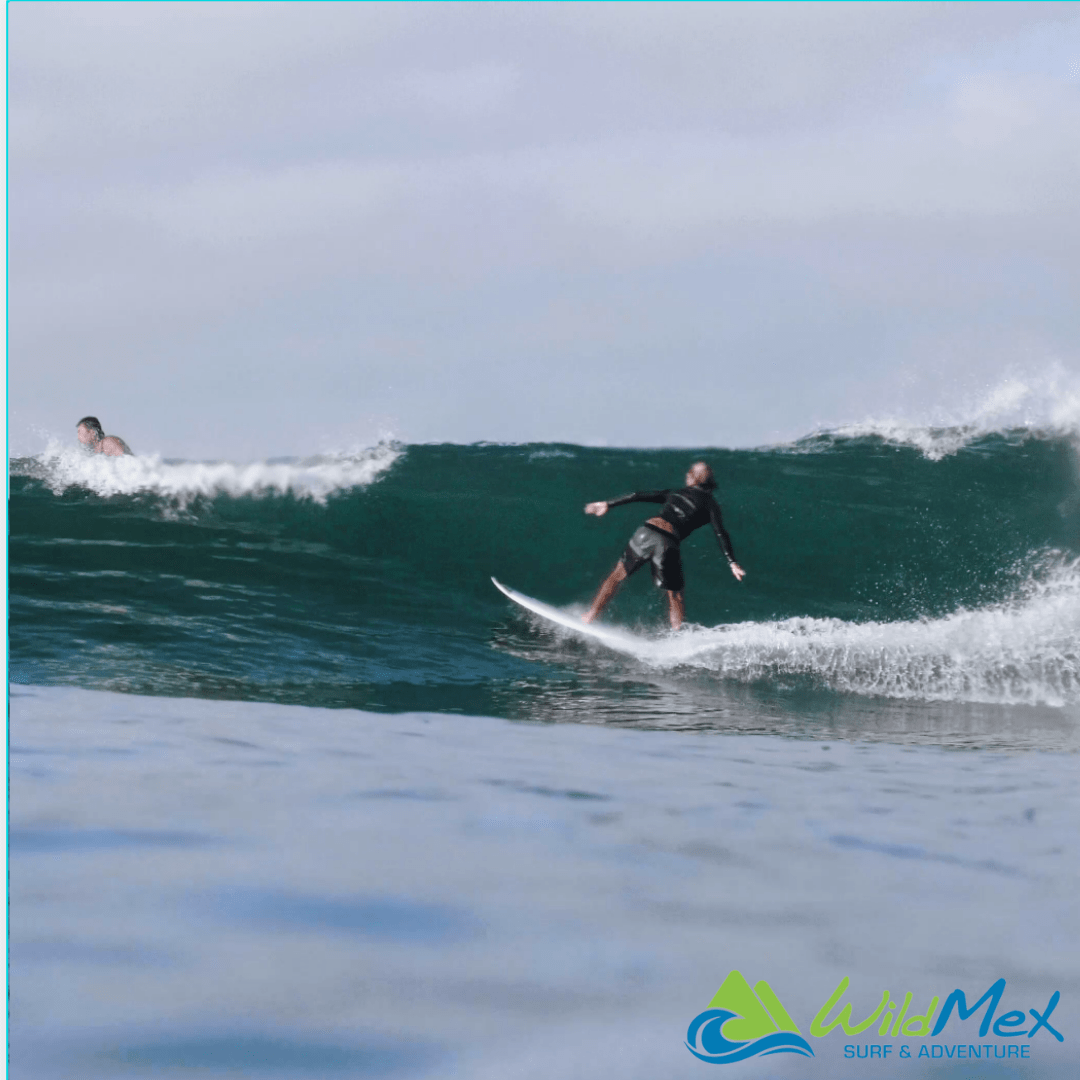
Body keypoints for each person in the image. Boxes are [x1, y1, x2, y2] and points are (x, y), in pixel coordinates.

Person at [582, 461, 745, 630]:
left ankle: (590, 616)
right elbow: (720, 533)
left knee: (616, 576)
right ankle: (678, 637)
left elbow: (638, 495)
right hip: (668, 542)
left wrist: (608, 504)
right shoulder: (711, 505)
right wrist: (732, 561)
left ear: (691, 478)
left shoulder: (676, 492)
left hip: (646, 531)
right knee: (675, 595)